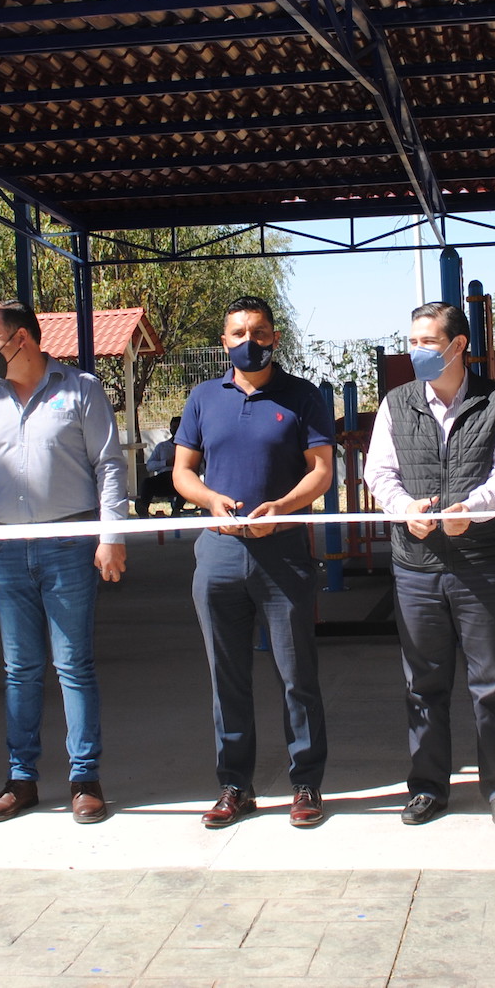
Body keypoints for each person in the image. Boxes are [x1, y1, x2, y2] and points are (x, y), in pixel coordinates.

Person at [0, 301, 128, 824]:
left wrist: (111, 535)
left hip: (69, 545)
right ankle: (20, 779)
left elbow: (109, 466)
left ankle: (84, 779)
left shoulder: (81, 390)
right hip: (7, 548)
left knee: (72, 664)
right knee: (20, 669)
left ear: (22, 339)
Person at [173, 296, 336, 829]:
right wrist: (209, 501)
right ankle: (234, 787)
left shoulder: (302, 396)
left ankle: (306, 783)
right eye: (239, 333)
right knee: (227, 677)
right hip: (219, 553)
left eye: (259, 332)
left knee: (297, 675)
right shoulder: (203, 398)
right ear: (224, 341)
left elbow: (321, 471)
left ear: (274, 338)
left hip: (283, 553)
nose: (250, 341)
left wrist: (282, 508)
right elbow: (182, 472)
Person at [365, 301, 495, 828]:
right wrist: (404, 509)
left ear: (458, 346)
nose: (417, 351)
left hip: (483, 564)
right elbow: (379, 473)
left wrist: (473, 511)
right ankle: (428, 787)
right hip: (417, 567)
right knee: (423, 684)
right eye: (412, 342)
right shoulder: (396, 404)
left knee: (493, 683)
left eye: (428, 342)